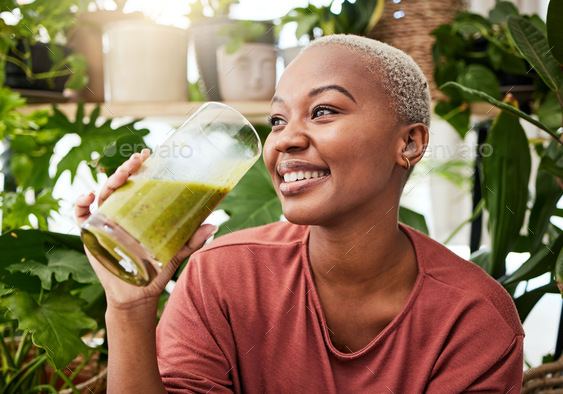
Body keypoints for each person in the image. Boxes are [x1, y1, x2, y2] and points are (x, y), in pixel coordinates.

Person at [75, 34, 524, 393]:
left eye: (323, 111)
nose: (286, 139)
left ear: (409, 143)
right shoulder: (221, 276)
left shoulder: (473, 319)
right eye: (276, 120)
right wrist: (128, 307)